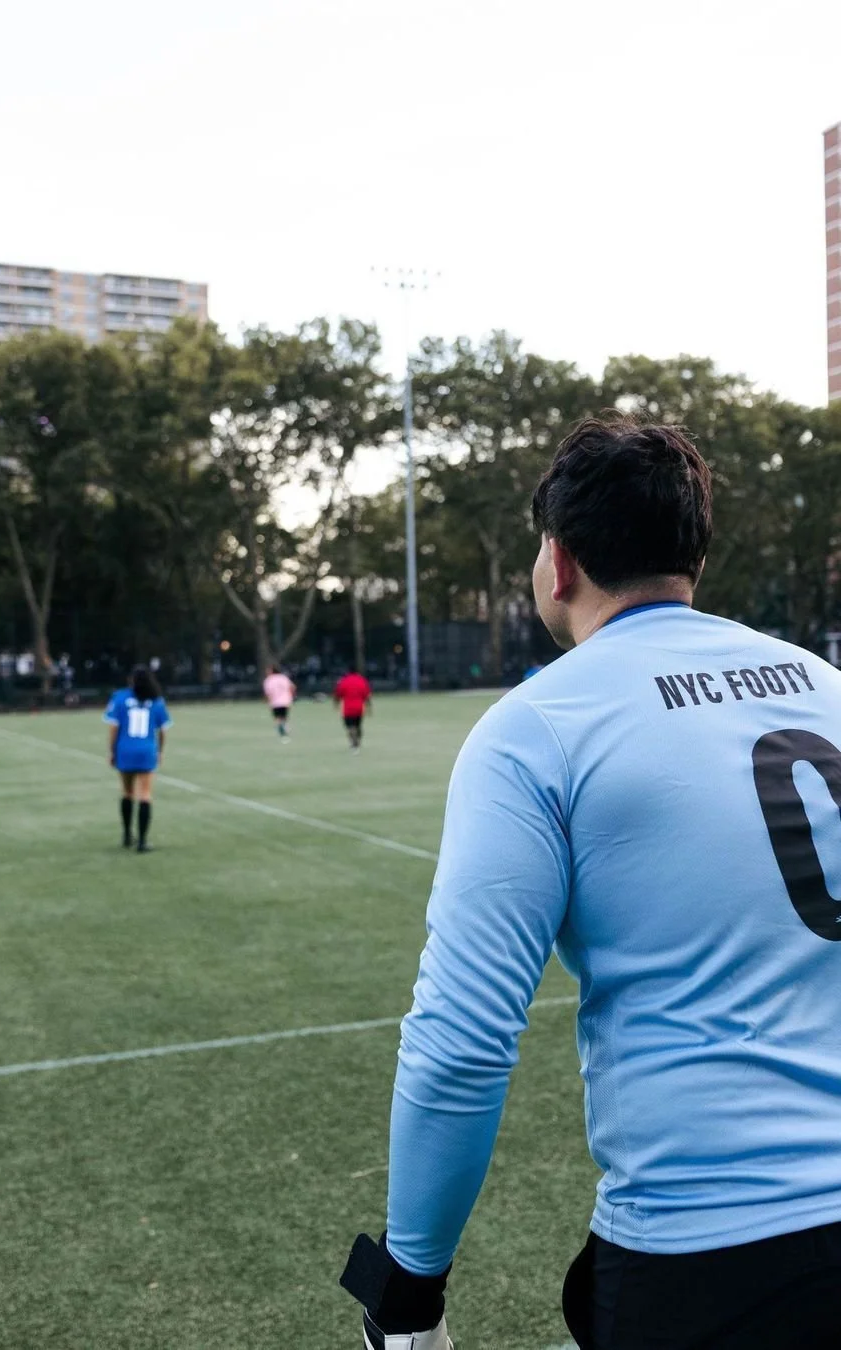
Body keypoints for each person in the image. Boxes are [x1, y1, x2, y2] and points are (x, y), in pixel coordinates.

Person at [340, 415, 841, 1350]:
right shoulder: (827, 685)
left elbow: (463, 1040)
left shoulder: (538, 726)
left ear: (558, 563)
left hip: (708, 1257)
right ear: (692, 553)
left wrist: (407, 1292)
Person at [104, 665, 171, 853]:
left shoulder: (120, 697)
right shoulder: (156, 700)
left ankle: (127, 835)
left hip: (125, 749)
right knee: (145, 794)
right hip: (146, 750)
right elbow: (163, 731)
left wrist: (112, 750)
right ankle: (142, 841)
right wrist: (160, 751)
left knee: (127, 792)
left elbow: (113, 728)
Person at [334, 664, 372, 751]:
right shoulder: (362, 680)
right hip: (359, 708)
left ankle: (353, 742)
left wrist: (336, 704)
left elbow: (338, 694)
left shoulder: (344, 681)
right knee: (358, 725)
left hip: (348, 709)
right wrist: (369, 708)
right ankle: (357, 740)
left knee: (350, 726)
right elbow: (367, 696)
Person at [262, 664, 297, 739]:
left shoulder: (269, 680)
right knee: (284, 717)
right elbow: (293, 687)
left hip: (275, 702)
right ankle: (284, 728)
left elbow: (268, 692)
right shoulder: (283, 677)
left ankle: (281, 731)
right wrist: (292, 696)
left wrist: (266, 700)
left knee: (277, 718)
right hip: (286, 700)